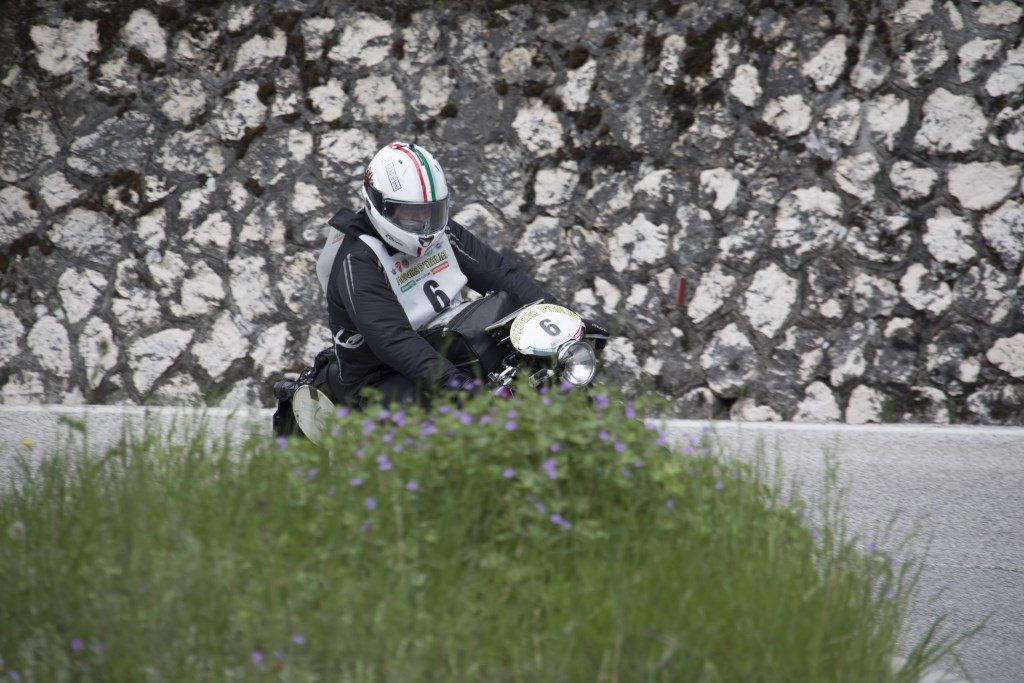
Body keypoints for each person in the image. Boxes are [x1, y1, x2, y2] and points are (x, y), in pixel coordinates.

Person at [314, 141, 609, 408]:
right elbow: (394, 340)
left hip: (446, 342)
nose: (424, 224)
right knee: (458, 418)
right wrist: (461, 388)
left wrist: (566, 320)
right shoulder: (358, 260)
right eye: (411, 213)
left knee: (539, 365)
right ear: (379, 205)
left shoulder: (443, 232)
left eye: (431, 211)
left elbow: (502, 274)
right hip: (381, 375)